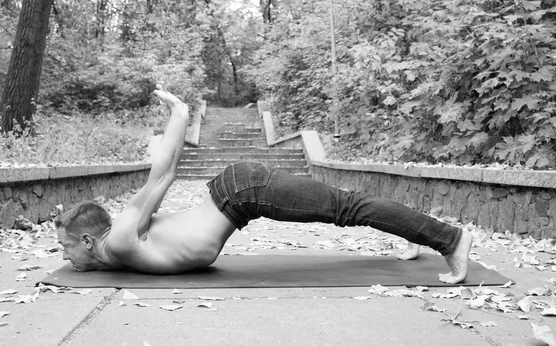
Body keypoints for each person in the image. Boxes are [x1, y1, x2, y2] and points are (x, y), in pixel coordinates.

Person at [55, 85, 473, 284]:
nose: (63, 254)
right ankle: (415, 234)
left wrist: (180, 114)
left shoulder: (124, 235)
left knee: (348, 209)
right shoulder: (114, 254)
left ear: (89, 240)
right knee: (349, 207)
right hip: (236, 195)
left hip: (243, 190)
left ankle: (450, 240)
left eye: (65, 245)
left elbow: (163, 171)